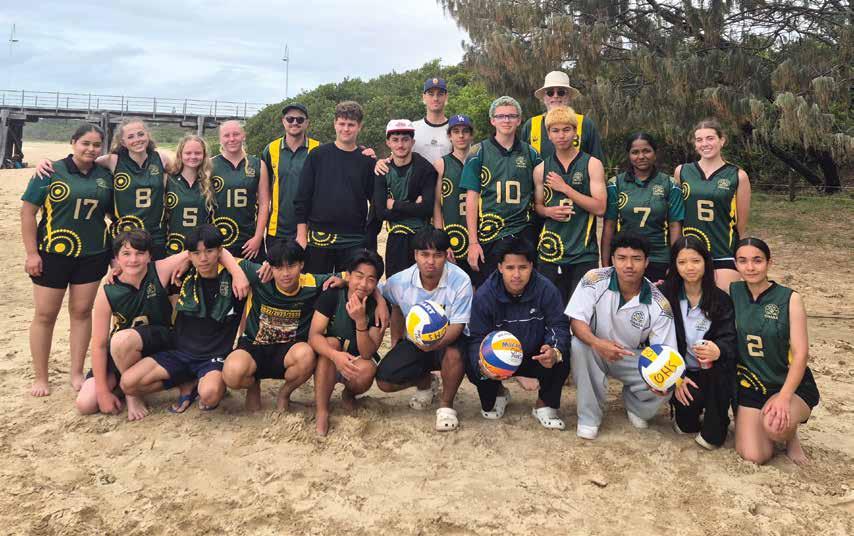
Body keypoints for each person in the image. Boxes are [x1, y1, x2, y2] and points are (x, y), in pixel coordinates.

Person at [21, 124, 114, 396]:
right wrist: (32, 253)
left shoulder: (105, 176)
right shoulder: (50, 171)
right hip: (52, 253)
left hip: (93, 254)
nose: (91, 149)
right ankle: (41, 377)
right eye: (85, 143)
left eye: (96, 145)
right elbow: (28, 213)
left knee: (82, 313)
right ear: (73, 142)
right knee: (45, 315)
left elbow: (113, 214)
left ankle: (76, 372)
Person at [119, 224, 250, 412]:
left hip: (214, 357)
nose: (203, 258)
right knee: (128, 384)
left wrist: (237, 272)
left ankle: (204, 382)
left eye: (209, 251)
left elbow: (270, 271)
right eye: (196, 253)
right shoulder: (180, 273)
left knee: (210, 395)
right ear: (188, 255)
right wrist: (116, 271)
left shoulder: (238, 274)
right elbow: (140, 269)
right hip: (179, 353)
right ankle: (186, 382)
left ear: (220, 251)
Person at [567, 231, 677, 440]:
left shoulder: (659, 304)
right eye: (622, 258)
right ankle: (589, 417)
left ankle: (636, 406)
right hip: (595, 349)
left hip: (631, 356)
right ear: (612, 259)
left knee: (667, 379)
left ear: (646, 262)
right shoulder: (594, 279)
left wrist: (661, 381)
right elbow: (576, 321)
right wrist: (598, 343)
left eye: (636, 259)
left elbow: (665, 353)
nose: (629, 265)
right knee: (578, 344)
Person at [220, 238, 346, 412]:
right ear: (270, 267)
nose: (285, 273)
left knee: (307, 355)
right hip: (254, 345)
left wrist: (344, 281)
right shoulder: (260, 275)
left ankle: (285, 393)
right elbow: (220, 253)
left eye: (291, 266)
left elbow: (356, 275)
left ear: (301, 264)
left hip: (290, 351)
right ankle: (253, 384)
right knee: (231, 374)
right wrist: (238, 273)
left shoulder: (313, 282)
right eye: (278, 267)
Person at [74, 229, 189, 420]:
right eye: (126, 254)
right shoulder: (108, 289)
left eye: (140, 253)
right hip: (121, 352)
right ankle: (121, 383)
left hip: (158, 343)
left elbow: (198, 249)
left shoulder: (160, 270)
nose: (133, 260)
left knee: (123, 339)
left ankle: (132, 394)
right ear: (116, 258)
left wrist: (186, 261)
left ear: (149, 256)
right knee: (85, 404)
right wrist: (102, 392)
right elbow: (99, 344)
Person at [465, 237, 571, 429]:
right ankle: (498, 393)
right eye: (510, 267)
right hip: (499, 358)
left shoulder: (546, 289)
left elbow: (559, 325)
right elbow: (477, 337)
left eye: (522, 267)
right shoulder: (485, 294)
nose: (516, 274)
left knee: (563, 354)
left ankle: (544, 404)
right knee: (473, 363)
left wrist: (553, 351)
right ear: (500, 267)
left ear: (531, 266)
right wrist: (481, 366)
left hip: (536, 355)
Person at [731, 238, 819, 465]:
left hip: (788, 383)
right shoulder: (733, 292)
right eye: (743, 261)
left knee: (775, 428)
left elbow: (800, 354)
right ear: (736, 264)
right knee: (754, 456)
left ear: (769, 263)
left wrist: (784, 397)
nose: (750, 267)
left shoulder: (789, 298)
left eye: (757, 260)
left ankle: (790, 435)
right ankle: (765, 424)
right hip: (752, 384)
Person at [375, 227, 472, 432]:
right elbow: (380, 293)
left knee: (454, 355)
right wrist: (395, 337)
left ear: (446, 256)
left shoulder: (461, 280)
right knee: (385, 381)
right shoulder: (400, 281)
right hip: (416, 341)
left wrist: (433, 345)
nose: (431, 261)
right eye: (424, 254)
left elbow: (458, 326)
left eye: (438, 255)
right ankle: (426, 382)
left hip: (449, 340)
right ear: (415, 255)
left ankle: (446, 405)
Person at [34, 118, 173, 259]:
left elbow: (179, 172)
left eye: (141, 134)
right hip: (124, 234)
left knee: (156, 272)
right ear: (123, 142)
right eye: (131, 136)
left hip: (156, 234)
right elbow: (81, 161)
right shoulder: (113, 160)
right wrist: (48, 163)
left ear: (148, 135)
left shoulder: (161, 159)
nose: (137, 139)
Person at [660, 236, 737, 449]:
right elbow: (656, 340)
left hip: (712, 372)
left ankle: (717, 421)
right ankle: (686, 412)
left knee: (712, 437)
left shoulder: (721, 299)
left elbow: (730, 338)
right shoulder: (665, 295)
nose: (690, 267)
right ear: (674, 265)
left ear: (706, 262)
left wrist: (718, 349)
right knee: (686, 425)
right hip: (682, 373)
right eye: (682, 262)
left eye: (696, 261)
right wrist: (675, 378)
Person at [461, 96, 541, 286]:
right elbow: (472, 198)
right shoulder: (478, 152)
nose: (506, 120)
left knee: (524, 287)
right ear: (492, 120)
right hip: (491, 234)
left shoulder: (531, 153)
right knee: (491, 289)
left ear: (519, 120)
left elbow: (539, 196)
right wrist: (473, 242)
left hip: (523, 231)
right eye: (501, 116)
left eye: (511, 116)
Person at [533, 106, 606, 305]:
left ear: (575, 132)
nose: (561, 135)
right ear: (548, 135)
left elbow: (600, 208)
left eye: (566, 129)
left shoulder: (592, 164)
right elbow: (537, 206)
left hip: (584, 252)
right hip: (550, 252)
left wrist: (565, 188)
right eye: (555, 131)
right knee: (551, 310)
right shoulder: (541, 169)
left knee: (581, 312)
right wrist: (548, 211)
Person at [295, 101, 379, 272]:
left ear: (359, 126)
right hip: (319, 239)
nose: (346, 129)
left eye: (351, 125)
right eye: (342, 124)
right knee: (317, 286)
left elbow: (376, 203)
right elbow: (302, 198)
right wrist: (301, 236)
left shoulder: (367, 161)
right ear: (334, 124)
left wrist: (370, 236)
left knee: (350, 287)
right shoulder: (317, 155)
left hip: (354, 240)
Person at [311, 249, 386, 436]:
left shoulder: (378, 308)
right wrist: (335, 356)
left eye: (371, 279)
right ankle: (322, 410)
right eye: (359, 276)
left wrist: (361, 322)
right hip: (329, 360)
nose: (364, 284)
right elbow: (314, 335)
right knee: (330, 343)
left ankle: (349, 394)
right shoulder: (332, 295)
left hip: (356, 360)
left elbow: (368, 352)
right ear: (348, 275)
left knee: (368, 368)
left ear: (376, 283)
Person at [675, 118, 751, 291]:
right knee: (691, 304)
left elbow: (741, 223)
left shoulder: (738, 175)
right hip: (690, 251)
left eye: (710, 138)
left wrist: (736, 250)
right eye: (699, 140)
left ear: (722, 140)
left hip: (722, 250)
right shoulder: (682, 171)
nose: (705, 144)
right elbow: (677, 215)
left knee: (723, 303)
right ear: (695, 144)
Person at [602, 132, 684, 282]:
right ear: (629, 155)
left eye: (646, 151)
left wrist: (674, 262)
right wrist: (606, 263)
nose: (641, 156)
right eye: (635, 152)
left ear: (655, 153)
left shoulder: (670, 184)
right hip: (626, 257)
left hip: (659, 258)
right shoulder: (616, 184)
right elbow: (609, 225)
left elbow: (674, 226)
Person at [373, 119, 437, 277]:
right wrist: (414, 206)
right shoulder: (382, 170)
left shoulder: (425, 169)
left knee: (423, 283)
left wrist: (394, 204)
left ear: (413, 142)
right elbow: (380, 213)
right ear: (388, 142)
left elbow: (427, 209)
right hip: (396, 238)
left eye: (405, 140)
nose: (400, 145)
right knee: (395, 284)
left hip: (421, 238)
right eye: (395, 140)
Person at [212, 120, 270, 260]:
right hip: (218, 240)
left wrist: (258, 237)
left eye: (236, 134)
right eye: (226, 135)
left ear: (243, 136)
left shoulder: (258, 165)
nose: (232, 139)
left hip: (249, 241)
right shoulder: (210, 165)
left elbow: (264, 204)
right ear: (220, 139)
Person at [262, 103, 320, 243]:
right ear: (283, 121)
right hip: (277, 230)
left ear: (307, 123)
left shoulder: (318, 149)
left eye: (300, 119)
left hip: (310, 230)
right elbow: (263, 190)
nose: (295, 122)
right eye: (290, 119)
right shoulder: (270, 149)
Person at [520, 70, 604, 161]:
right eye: (550, 93)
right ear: (544, 97)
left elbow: (597, 161)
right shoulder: (531, 125)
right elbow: (523, 162)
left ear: (569, 96)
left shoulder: (585, 124)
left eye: (561, 92)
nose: (555, 96)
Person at [433, 114, 475, 273]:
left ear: (471, 135)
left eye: (465, 131)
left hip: (477, 235)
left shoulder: (479, 161)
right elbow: (437, 205)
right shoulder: (441, 164)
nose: (461, 136)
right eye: (456, 131)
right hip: (452, 235)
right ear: (449, 136)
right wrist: (441, 239)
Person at [164, 135, 216, 255]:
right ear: (180, 154)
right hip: (173, 247)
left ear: (204, 155)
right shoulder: (168, 179)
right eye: (188, 153)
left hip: (202, 250)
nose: (193, 156)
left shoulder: (209, 181)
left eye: (197, 153)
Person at [412, 77, 452, 163]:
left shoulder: (455, 129)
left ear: (446, 97)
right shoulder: (412, 128)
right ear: (424, 97)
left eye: (440, 94)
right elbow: (398, 156)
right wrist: (383, 162)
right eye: (431, 94)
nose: (435, 98)